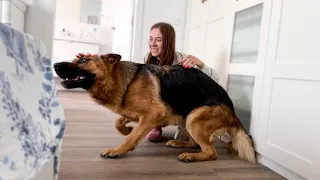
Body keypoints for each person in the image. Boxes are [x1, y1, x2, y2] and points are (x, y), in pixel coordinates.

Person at [143, 22, 219, 142]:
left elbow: (215, 78)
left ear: (168, 42)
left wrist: (200, 64)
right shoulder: (147, 59)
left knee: (182, 139)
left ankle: (185, 125)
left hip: (182, 105)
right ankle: (156, 125)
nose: (152, 44)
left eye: (158, 40)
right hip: (162, 102)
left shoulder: (182, 60)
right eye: (151, 39)